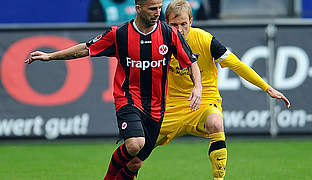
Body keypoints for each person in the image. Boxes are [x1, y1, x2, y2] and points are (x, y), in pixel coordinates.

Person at [25, 0, 203, 180]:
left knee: (135, 163)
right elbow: (86, 48)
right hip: (128, 98)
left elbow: (191, 61)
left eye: (159, 8)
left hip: (157, 106)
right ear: (138, 9)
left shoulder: (169, 34)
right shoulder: (119, 34)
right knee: (135, 144)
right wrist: (50, 56)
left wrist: (198, 87)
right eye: (152, 9)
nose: (158, 13)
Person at [124, 0, 291, 179]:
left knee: (216, 122)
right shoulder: (158, 41)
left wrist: (267, 88)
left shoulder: (206, 40)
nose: (179, 29)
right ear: (165, 23)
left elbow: (237, 65)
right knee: (134, 159)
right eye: (174, 25)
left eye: (183, 24)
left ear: (191, 21)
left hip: (203, 102)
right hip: (169, 108)